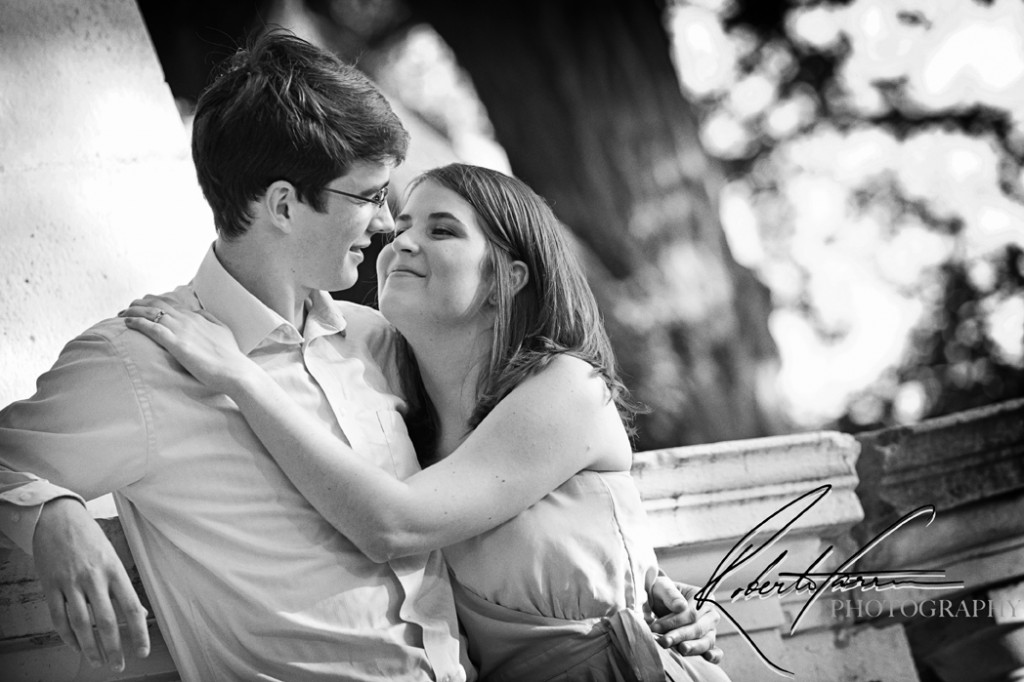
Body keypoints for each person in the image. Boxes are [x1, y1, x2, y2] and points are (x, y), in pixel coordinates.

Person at [0, 32, 717, 681]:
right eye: (374, 199)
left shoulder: (383, 344)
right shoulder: (141, 360)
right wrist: (51, 515)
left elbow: (459, 504)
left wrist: (633, 591)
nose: (385, 229)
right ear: (283, 205)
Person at [121, 163, 730, 681]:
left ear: (508, 279)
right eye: (402, 225)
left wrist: (238, 377)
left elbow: (394, 526)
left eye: (441, 230)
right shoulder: (394, 416)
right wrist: (52, 505)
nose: (401, 241)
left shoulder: (567, 388)